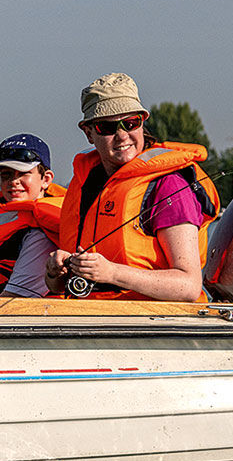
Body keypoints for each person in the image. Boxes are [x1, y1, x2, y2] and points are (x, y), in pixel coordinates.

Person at [49, 73, 220, 302]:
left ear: (142, 122)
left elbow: (188, 285)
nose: (121, 136)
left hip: (153, 323)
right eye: (106, 127)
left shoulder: (169, 185)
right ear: (88, 133)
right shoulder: (85, 183)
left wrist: (112, 273)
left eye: (130, 123)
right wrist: (54, 272)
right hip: (92, 319)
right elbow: (58, 286)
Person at [0, 133, 64, 298]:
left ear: (46, 179)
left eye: (23, 173)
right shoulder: (13, 219)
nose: (14, 181)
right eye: (6, 175)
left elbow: (15, 300)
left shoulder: (43, 232)